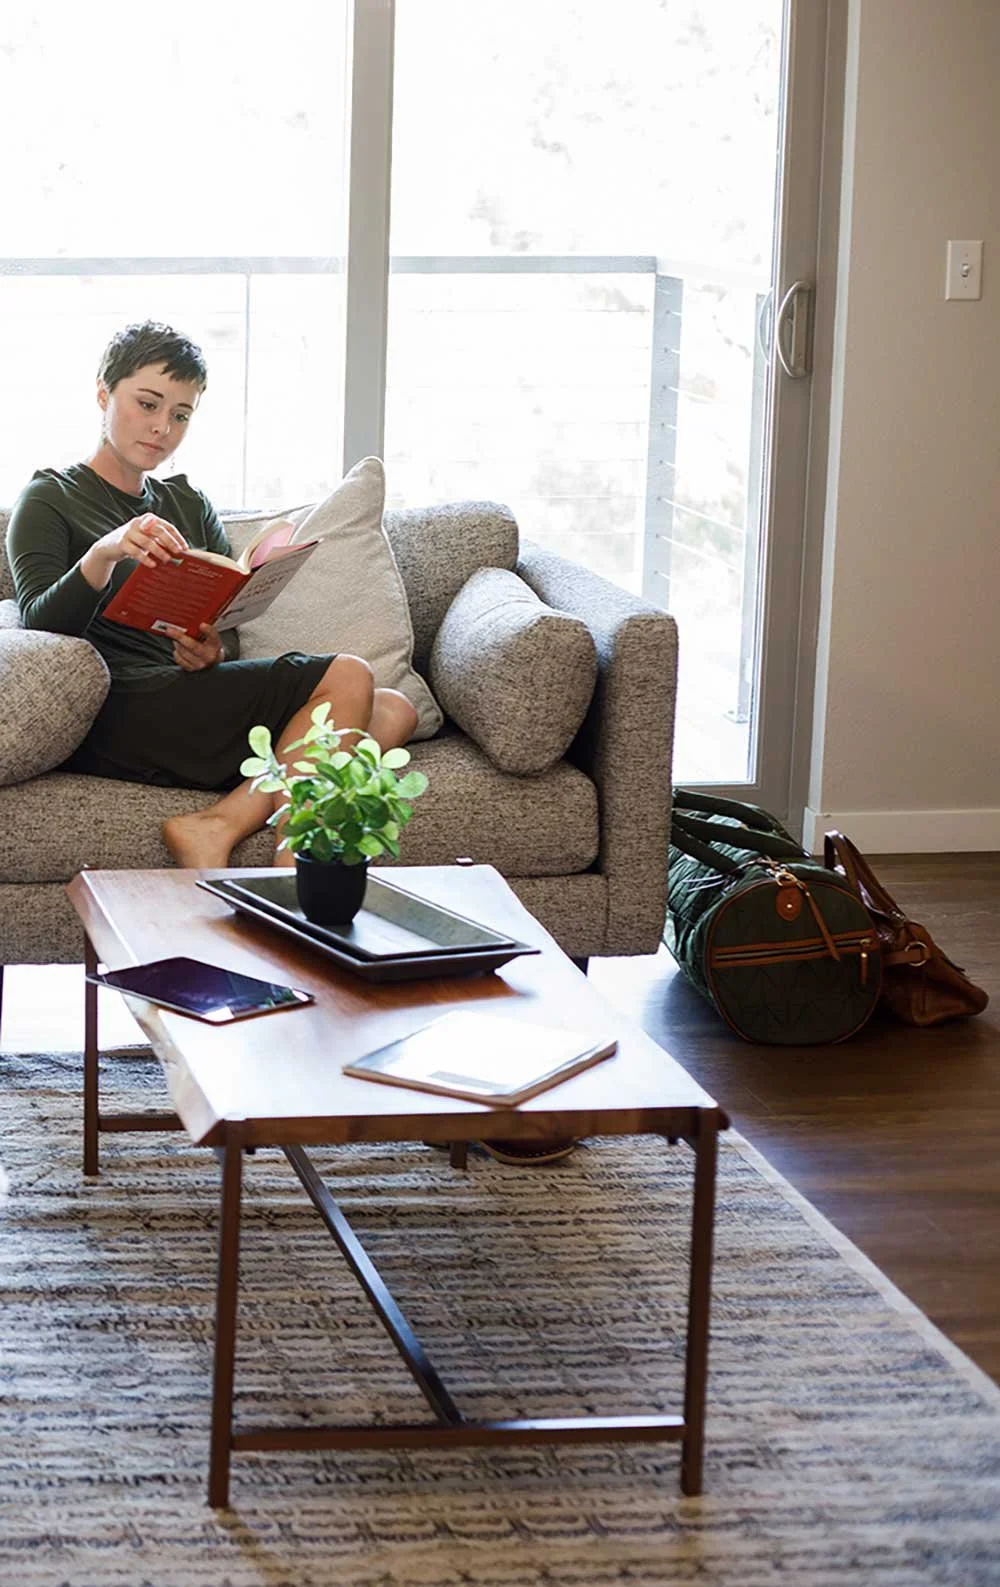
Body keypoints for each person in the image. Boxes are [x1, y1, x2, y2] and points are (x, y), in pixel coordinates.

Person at [5, 321, 418, 868]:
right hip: (116, 704)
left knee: (393, 709)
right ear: (104, 393)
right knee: (349, 676)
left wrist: (213, 649)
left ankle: (217, 824)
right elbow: (37, 627)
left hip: (182, 694)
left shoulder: (188, 502)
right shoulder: (50, 497)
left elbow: (222, 623)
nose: (161, 428)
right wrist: (104, 553)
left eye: (179, 415)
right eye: (147, 404)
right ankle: (297, 858)